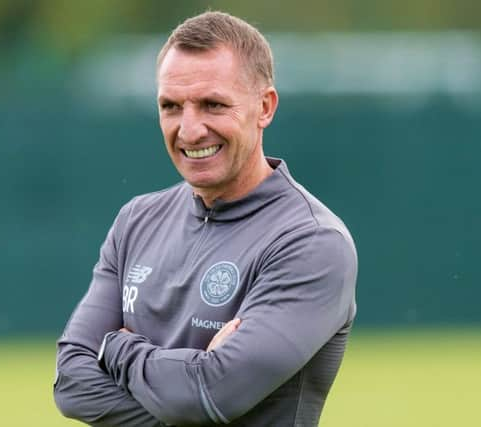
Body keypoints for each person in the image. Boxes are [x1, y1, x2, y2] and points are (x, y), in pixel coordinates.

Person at [54, 11, 357, 427]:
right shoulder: (136, 220)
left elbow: (209, 397)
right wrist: (189, 381)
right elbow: (70, 383)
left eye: (212, 104)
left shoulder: (312, 242)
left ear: (264, 107)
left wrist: (118, 349)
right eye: (171, 107)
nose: (190, 129)